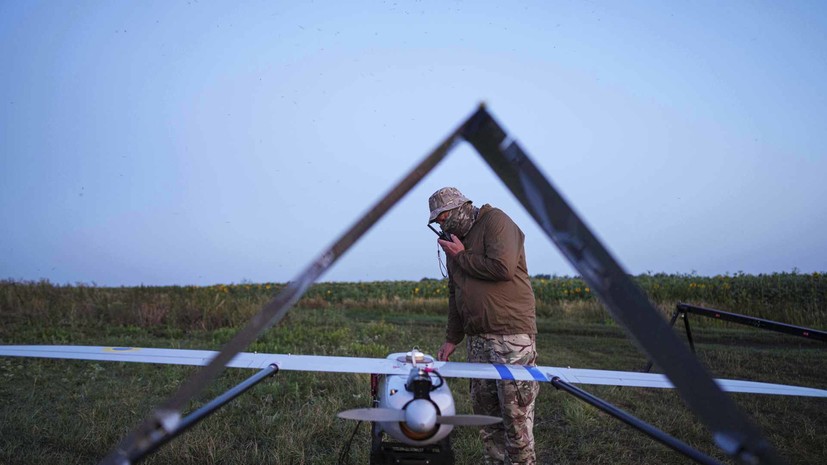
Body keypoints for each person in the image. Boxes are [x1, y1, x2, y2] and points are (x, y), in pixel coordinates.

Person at [428, 186, 540, 465]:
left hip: (510, 337)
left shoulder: (495, 221)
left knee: (515, 418)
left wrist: (461, 256)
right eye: (437, 223)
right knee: (488, 420)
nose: (441, 226)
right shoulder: (455, 241)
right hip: (477, 340)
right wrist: (452, 338)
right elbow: (456, 294)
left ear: (458, 209)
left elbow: (503, 268)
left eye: (443, 218)